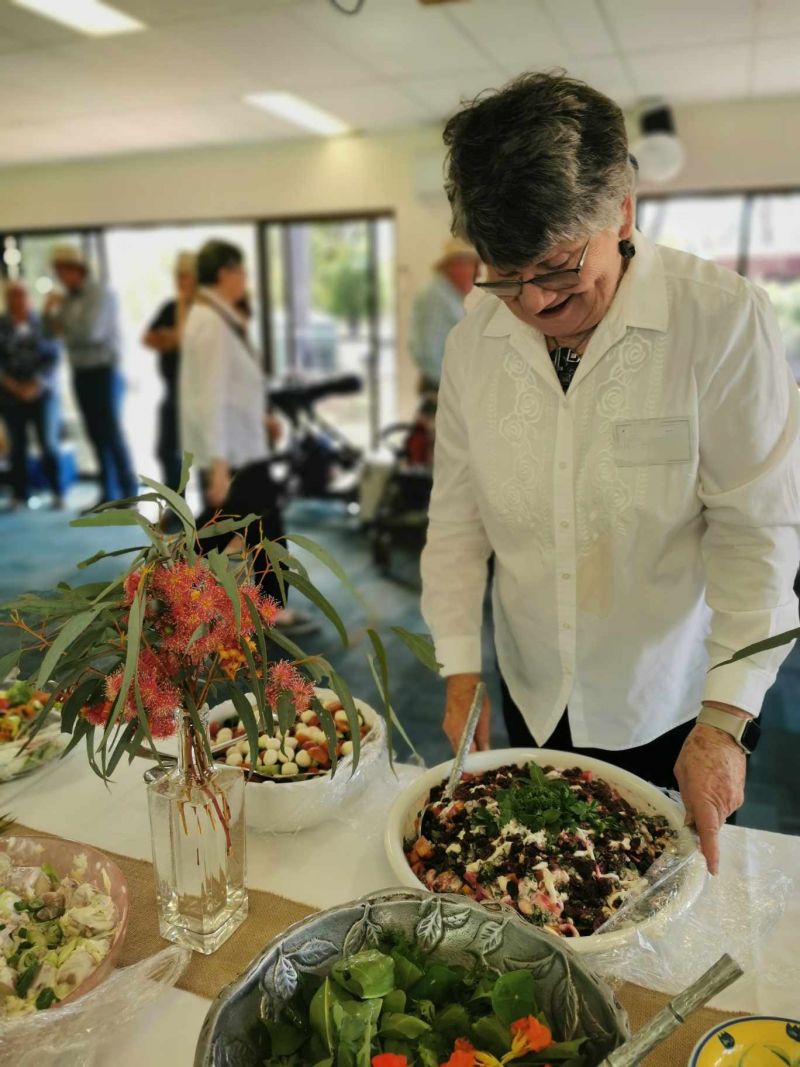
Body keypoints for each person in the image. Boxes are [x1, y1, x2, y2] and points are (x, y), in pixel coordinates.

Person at [420, 72, 800, 875]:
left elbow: (758, 533)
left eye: (556, 268)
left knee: (655, 899)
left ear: (622, 211)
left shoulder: (722, 321)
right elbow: (456, 518)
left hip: (666, 698)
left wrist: (725, 724)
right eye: (502, 273)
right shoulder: (472, 341)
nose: (528, 303)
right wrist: (460, 665)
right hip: (532, 683)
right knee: (545, 879)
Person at [180, 239, 316, 636]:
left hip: (243, 442)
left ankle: (266, 608)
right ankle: (171, 581)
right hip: (233, 450)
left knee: (260, 525)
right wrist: (219, 466)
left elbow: (232, 388)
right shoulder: (209, 322)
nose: (244, 280)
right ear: (224, 272)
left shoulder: (217, 317)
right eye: (240, 271)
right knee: (235, 525)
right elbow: (210, 397)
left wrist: (260, 417)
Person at [44, 245, 137, 506]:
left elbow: (90, 333)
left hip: (104, 372)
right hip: (81, 373)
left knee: (111, 433)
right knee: (95, 435)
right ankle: (108, 493)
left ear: (76, 269)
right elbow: (51, 332)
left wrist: (64, 326)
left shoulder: (100, 293)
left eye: (62, 271)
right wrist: (49, 313)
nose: (60, 277)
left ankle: (129, 491)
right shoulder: (68, 299)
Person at [0, 281, 64, 509]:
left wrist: (37, 384)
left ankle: (58, 493)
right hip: (9, 394)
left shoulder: (43, 323)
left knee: (49, 443)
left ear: (28, 297)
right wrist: (14, 386)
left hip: (43, 393)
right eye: (13, 295)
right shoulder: (2, 325)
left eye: (21, 294)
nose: (18, 299)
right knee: (18, 446)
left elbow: (55, 357)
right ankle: (20, 495)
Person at [142, 251, 197, 490]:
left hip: (199, 391)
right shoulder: (169, 307)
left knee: (202, 456)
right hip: (173, 389)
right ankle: (176, 507)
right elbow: (147, 338)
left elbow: (188, 341)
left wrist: (172, 338)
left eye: (185, 276)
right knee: (165, 450)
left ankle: (213, 517)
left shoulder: (206, 309)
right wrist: (173, 339)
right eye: (177, 275)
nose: (180, 281)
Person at [409, 237, 479, 392]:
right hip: (440, 387)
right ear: (455, 267)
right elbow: (427, 352)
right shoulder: (435, 296)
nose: (475, 274)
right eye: (472, 266)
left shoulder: (449, 295)